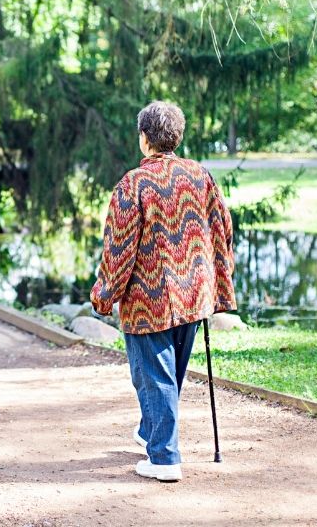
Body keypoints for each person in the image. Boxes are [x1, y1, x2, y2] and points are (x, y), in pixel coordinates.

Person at [90, 100, 236, 482]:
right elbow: (222, 231)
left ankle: (165, 459)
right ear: (177, 136)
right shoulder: (199, 175)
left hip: (148, 301)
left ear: (144, 138)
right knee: (167, 374)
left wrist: (103, 296)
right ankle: (149, 431)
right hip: (193, 295)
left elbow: (118, 249)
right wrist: (218, 282)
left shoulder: (133, 184)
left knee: (154, 376)